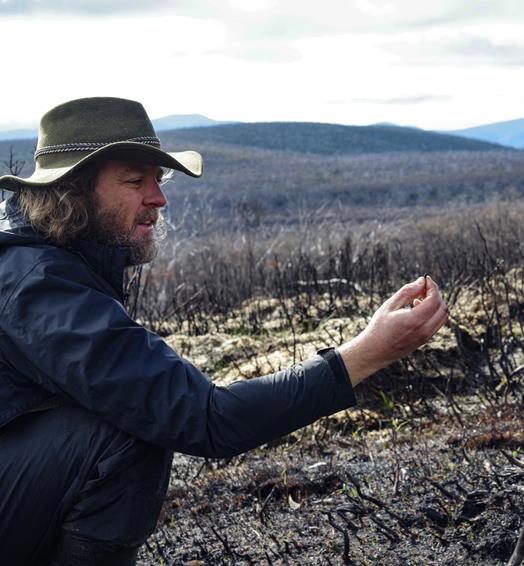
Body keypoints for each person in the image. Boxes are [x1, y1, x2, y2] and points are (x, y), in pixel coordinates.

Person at [0, 97, 448, 565]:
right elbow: (204, 418)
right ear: (73, 192)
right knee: (127, 433)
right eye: (135, 181)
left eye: (159, 180)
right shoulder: (38, 287)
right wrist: (366, 353)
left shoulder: (45, 262)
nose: (159, 198)